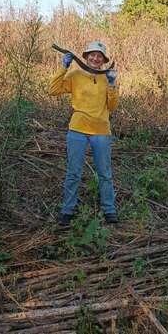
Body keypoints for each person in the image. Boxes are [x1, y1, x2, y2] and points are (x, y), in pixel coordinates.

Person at [49, 41, 119, 226]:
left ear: (104, 60)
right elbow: (53, 90)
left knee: (104, 173)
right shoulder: (75, 74)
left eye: (99, 56)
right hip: (77, 130)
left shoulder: (106, 77)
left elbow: (112, 107)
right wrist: (63, 67)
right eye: (92, 55)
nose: (95, 58)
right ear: (86, 56)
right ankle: (67, 210)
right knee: (73, 172)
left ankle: (109, 210)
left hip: (101, 131)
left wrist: (112, 85)